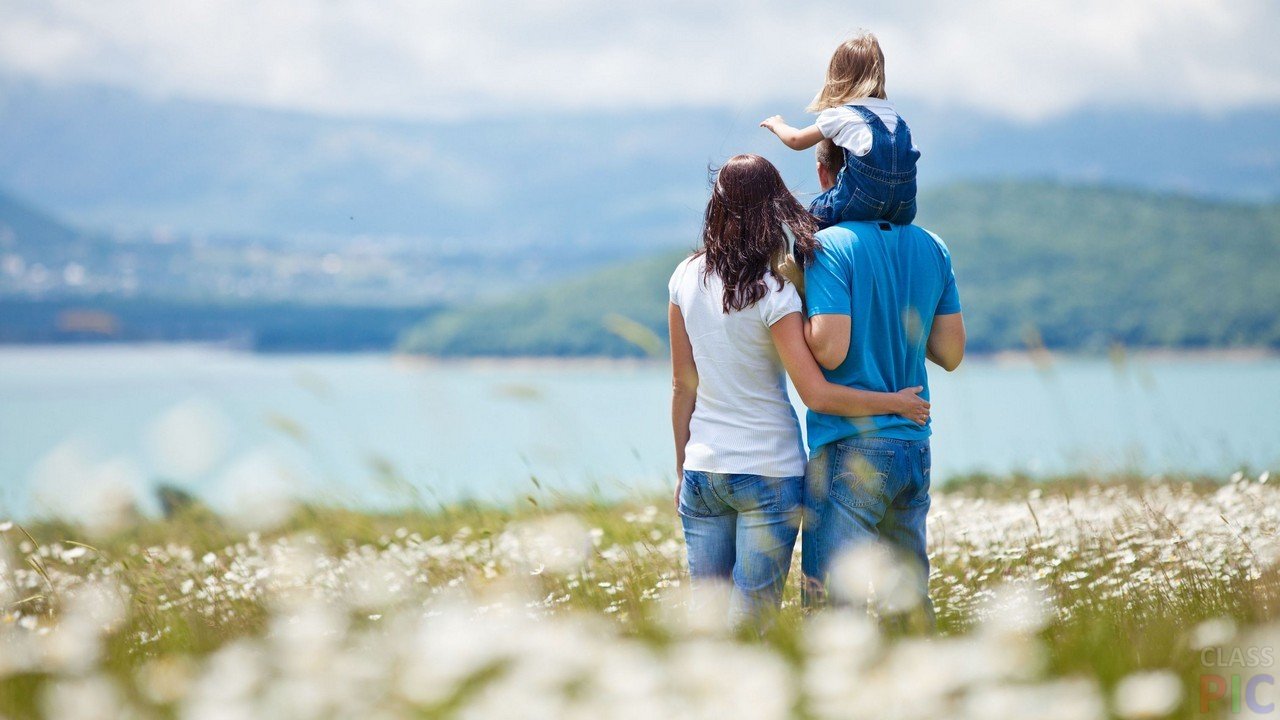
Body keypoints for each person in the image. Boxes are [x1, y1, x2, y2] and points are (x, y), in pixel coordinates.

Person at [668, 153, 931, 628]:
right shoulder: (775, 292)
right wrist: (895, 403)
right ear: (772, 209)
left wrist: (681, 467)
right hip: (768, 471)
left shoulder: (684, 276)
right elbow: (818, 394)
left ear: (718, 205)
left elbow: (682, 385)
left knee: (705, 622)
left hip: (702, 470)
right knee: (754, 624)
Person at [799, 138, 966, 628]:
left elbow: (830, 348)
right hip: (914, 444)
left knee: (834, 607)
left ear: (829, 174)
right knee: (908, 604)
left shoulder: (829, 246)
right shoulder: (932, 245)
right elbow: (951, 354)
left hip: (850, 445)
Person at [759, 32, 919, 229]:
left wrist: (778, 125)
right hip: (904, 206)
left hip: (862, 201)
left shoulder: (842, 115)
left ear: (837, 77)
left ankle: (799, 259)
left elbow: (796, 140)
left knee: (810, 220)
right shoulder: (896, 118)